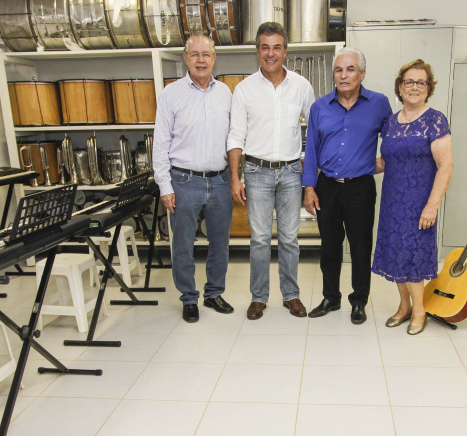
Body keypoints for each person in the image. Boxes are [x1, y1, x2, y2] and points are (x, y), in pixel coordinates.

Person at [227, 22, 315, 321]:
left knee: (290, 238)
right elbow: (235, 137)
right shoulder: (244, 89)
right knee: (260, 239)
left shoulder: (301, 86)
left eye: (277, 47)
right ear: (257, 51)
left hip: (291, 172)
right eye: (265, 47)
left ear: (285, 51)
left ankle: (291, 295)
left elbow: (315, 132)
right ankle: (259, 298)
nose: (271, 53)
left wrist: (310, 176)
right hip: (256, 172)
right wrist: (235, 177)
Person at [303, 47, 392, 325]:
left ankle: (359, 301)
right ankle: (331, 297)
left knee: (361, 246)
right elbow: (311, 150)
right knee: (330, 246)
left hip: (360, 188)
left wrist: (378, 163)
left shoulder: (379, 104)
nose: (344, 75)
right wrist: (309, 187)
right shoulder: (319, 107)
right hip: (326, 185)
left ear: (362, 73)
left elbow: (393, 141)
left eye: (350, 69)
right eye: (339, 70)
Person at [153, 32, 234, 323]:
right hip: (184, 181)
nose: (201, 60)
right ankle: (189, 298)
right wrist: (165, 185)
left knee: (220, 242)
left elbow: (234, 138)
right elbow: (160, 144)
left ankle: (213, 293)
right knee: (184, 244)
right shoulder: (171, 94)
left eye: (207, 54)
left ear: (214, 58)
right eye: (195, 54)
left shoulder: (225, 93)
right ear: (186, 58)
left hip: (221, 179)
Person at [372, 59, 454, 335]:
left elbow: (446, 165)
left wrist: (432, 206)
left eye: (421, 82)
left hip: (420, 202)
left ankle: (420, 311)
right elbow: (386, 162)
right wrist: (349, 164)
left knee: (413, 257)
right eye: (409, 81)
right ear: (400, 87)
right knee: (396, 253)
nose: (414, 87)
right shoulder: (391, 123)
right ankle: (404, 306)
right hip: (393, 201)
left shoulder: (434, 120)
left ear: (428, 88)